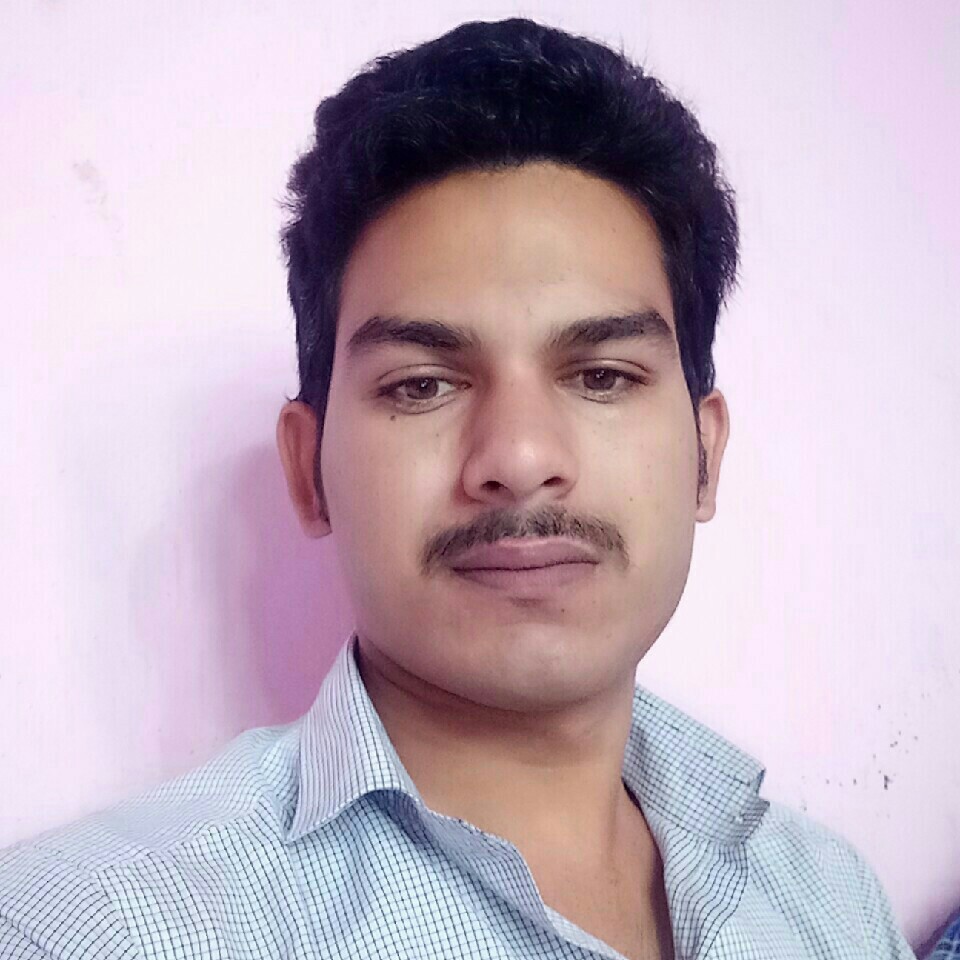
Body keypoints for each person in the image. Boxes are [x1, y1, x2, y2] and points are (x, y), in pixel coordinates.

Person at [0, 17, 915, 960]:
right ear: (308, 473)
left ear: (705, 457)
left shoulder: (832, 903)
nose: (518, 455)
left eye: (602, 375)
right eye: (422, 386)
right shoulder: (82, 932)